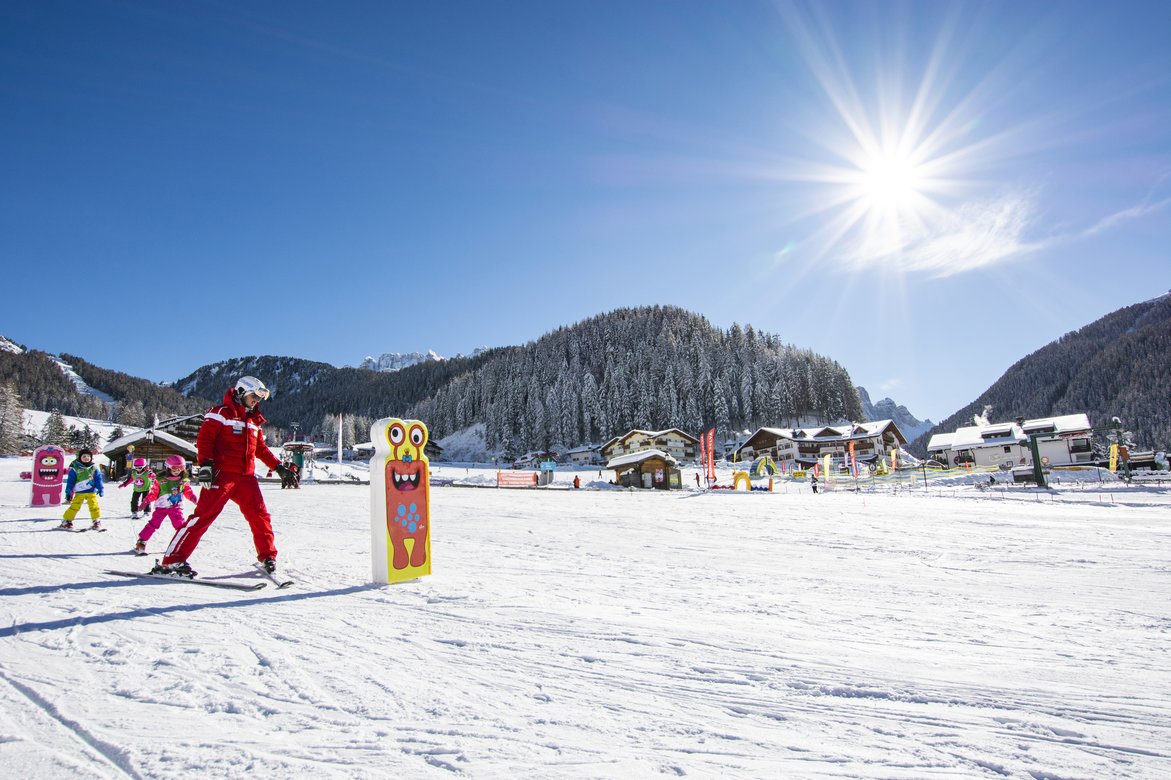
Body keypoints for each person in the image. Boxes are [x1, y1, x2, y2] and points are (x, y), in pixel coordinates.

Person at [154, 376, 298, 578]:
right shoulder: (220, 413)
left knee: (260, 516)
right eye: (254, 396)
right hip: (221, 476)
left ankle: (267, 557)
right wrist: (205, 465)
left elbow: (261, 450)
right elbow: (205, 439)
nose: (257, 401)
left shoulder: (253, 421)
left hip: (246, 477)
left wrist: (279, 468)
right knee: (203, 517)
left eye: (260, 397)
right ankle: (172, 561)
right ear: (241, 392)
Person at [134, 455, 196, 555]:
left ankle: (180, 544)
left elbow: (188, 492)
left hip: (175, 507)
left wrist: (194, 499)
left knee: (180, 526)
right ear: (168, 467)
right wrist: (145, 502)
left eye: (181, 468)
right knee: (154, 524)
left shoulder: (183, 481)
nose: (177, 471)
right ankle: (141, 542)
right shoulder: (160, 480)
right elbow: (154, 493)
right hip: (161, 507)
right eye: (175, 468)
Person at [61, 448, 104, 529]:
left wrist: (100, 488)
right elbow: (70, 480)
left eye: (88, 456)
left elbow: (98, 479)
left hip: (91, 491)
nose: (86, 458)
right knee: (75, 506)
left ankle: (96, 521)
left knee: (94, 506)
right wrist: (68, 490)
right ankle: (66, 521)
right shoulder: (75, 468)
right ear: (80, 457)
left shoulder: (94, 468)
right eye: (84, 456)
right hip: (79, 492)